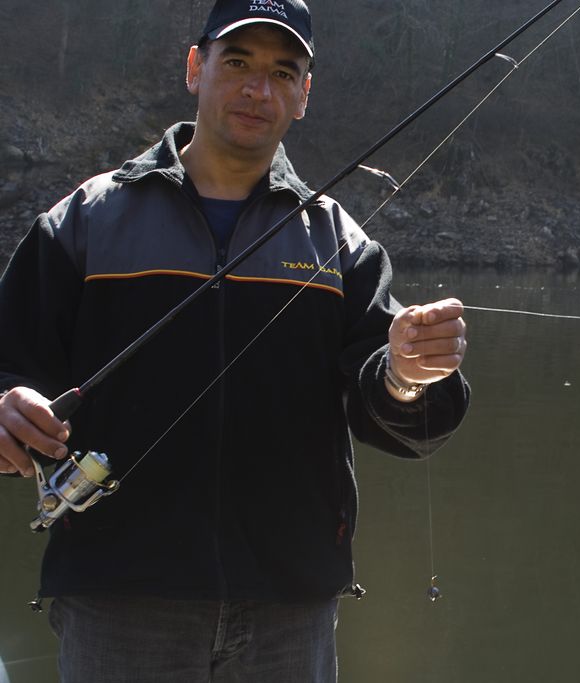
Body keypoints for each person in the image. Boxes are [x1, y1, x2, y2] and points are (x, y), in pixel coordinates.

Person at [0, 0, 470, 680]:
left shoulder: (340, 244)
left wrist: (408, 372)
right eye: (239, 63)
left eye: (284, 72)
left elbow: (404, 417)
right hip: (121, 601)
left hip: (290, 608)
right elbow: (10, 360)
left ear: (305, 95)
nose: (259, 89)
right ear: (196, 68)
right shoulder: (83, 221)